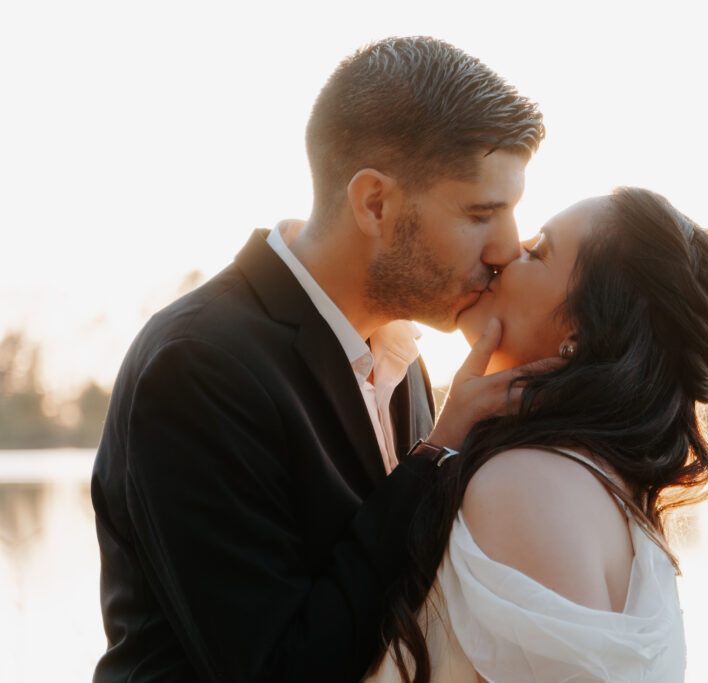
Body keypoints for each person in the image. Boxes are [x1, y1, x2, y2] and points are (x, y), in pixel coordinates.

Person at [90, 36, 544, 682]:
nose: (507, 247)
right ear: (375, 203)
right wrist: (437, 455)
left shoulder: (403, 363)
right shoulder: (197, 366)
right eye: (481, 213)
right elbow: (280, 669)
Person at [367, 187, 708, 682]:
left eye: (539, 250)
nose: (507, 252)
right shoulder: (600, 487)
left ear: (581, 333)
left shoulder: (529, 484)